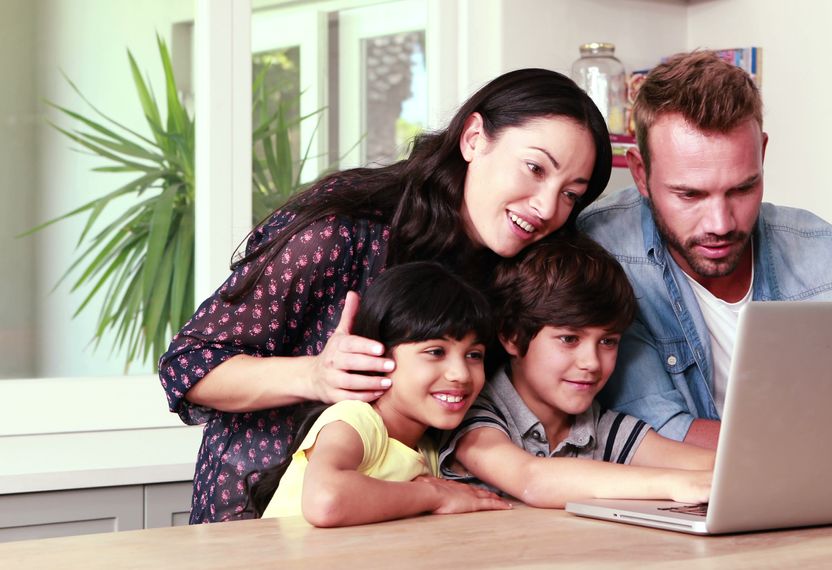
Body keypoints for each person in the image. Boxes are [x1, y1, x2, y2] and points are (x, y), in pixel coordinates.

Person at [159, 68, 612, 523]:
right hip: (259, 525)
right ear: (474, 138)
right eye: (535, 169)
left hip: (398, 523)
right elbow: (189, 365)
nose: (547, 207)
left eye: (571, 194)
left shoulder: (517, 270)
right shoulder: (344, 229)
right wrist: (313, 375)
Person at [578, 50, 832, 450]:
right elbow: (655, 430)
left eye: (742, 188)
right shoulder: (601, 251)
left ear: (763, 154)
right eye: (689, 194)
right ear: (640, 173)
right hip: (671, 500)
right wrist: (820, 449)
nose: (720, 224)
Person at [439, 236, 715, 508]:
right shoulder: (473, 413)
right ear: (511, 335)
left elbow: (717, 467)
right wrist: (676, 484)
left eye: (608, 341)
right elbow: (531, 479)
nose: (592, 363)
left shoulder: (599, 426)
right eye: (569, 339)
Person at [242, 262, 510, 526]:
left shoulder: (427, 448)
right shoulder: (356, 419)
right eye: (435, 352)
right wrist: (435, 495)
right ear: (376, 352)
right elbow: (326, 501)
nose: (460, 374)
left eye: (474, 355)